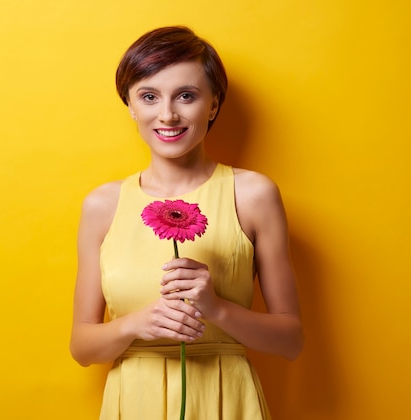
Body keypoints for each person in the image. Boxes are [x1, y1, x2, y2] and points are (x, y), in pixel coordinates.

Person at [70, 26, 303, 419]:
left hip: (225, 399)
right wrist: (136, 325)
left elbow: (291, 340)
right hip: (134, 401)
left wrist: (216, 308)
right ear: (130, 105)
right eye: (148, 97)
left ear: (212, 105)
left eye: (186, 96)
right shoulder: (102, 205)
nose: (167, 115)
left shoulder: (253, 195)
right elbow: (82, 346)